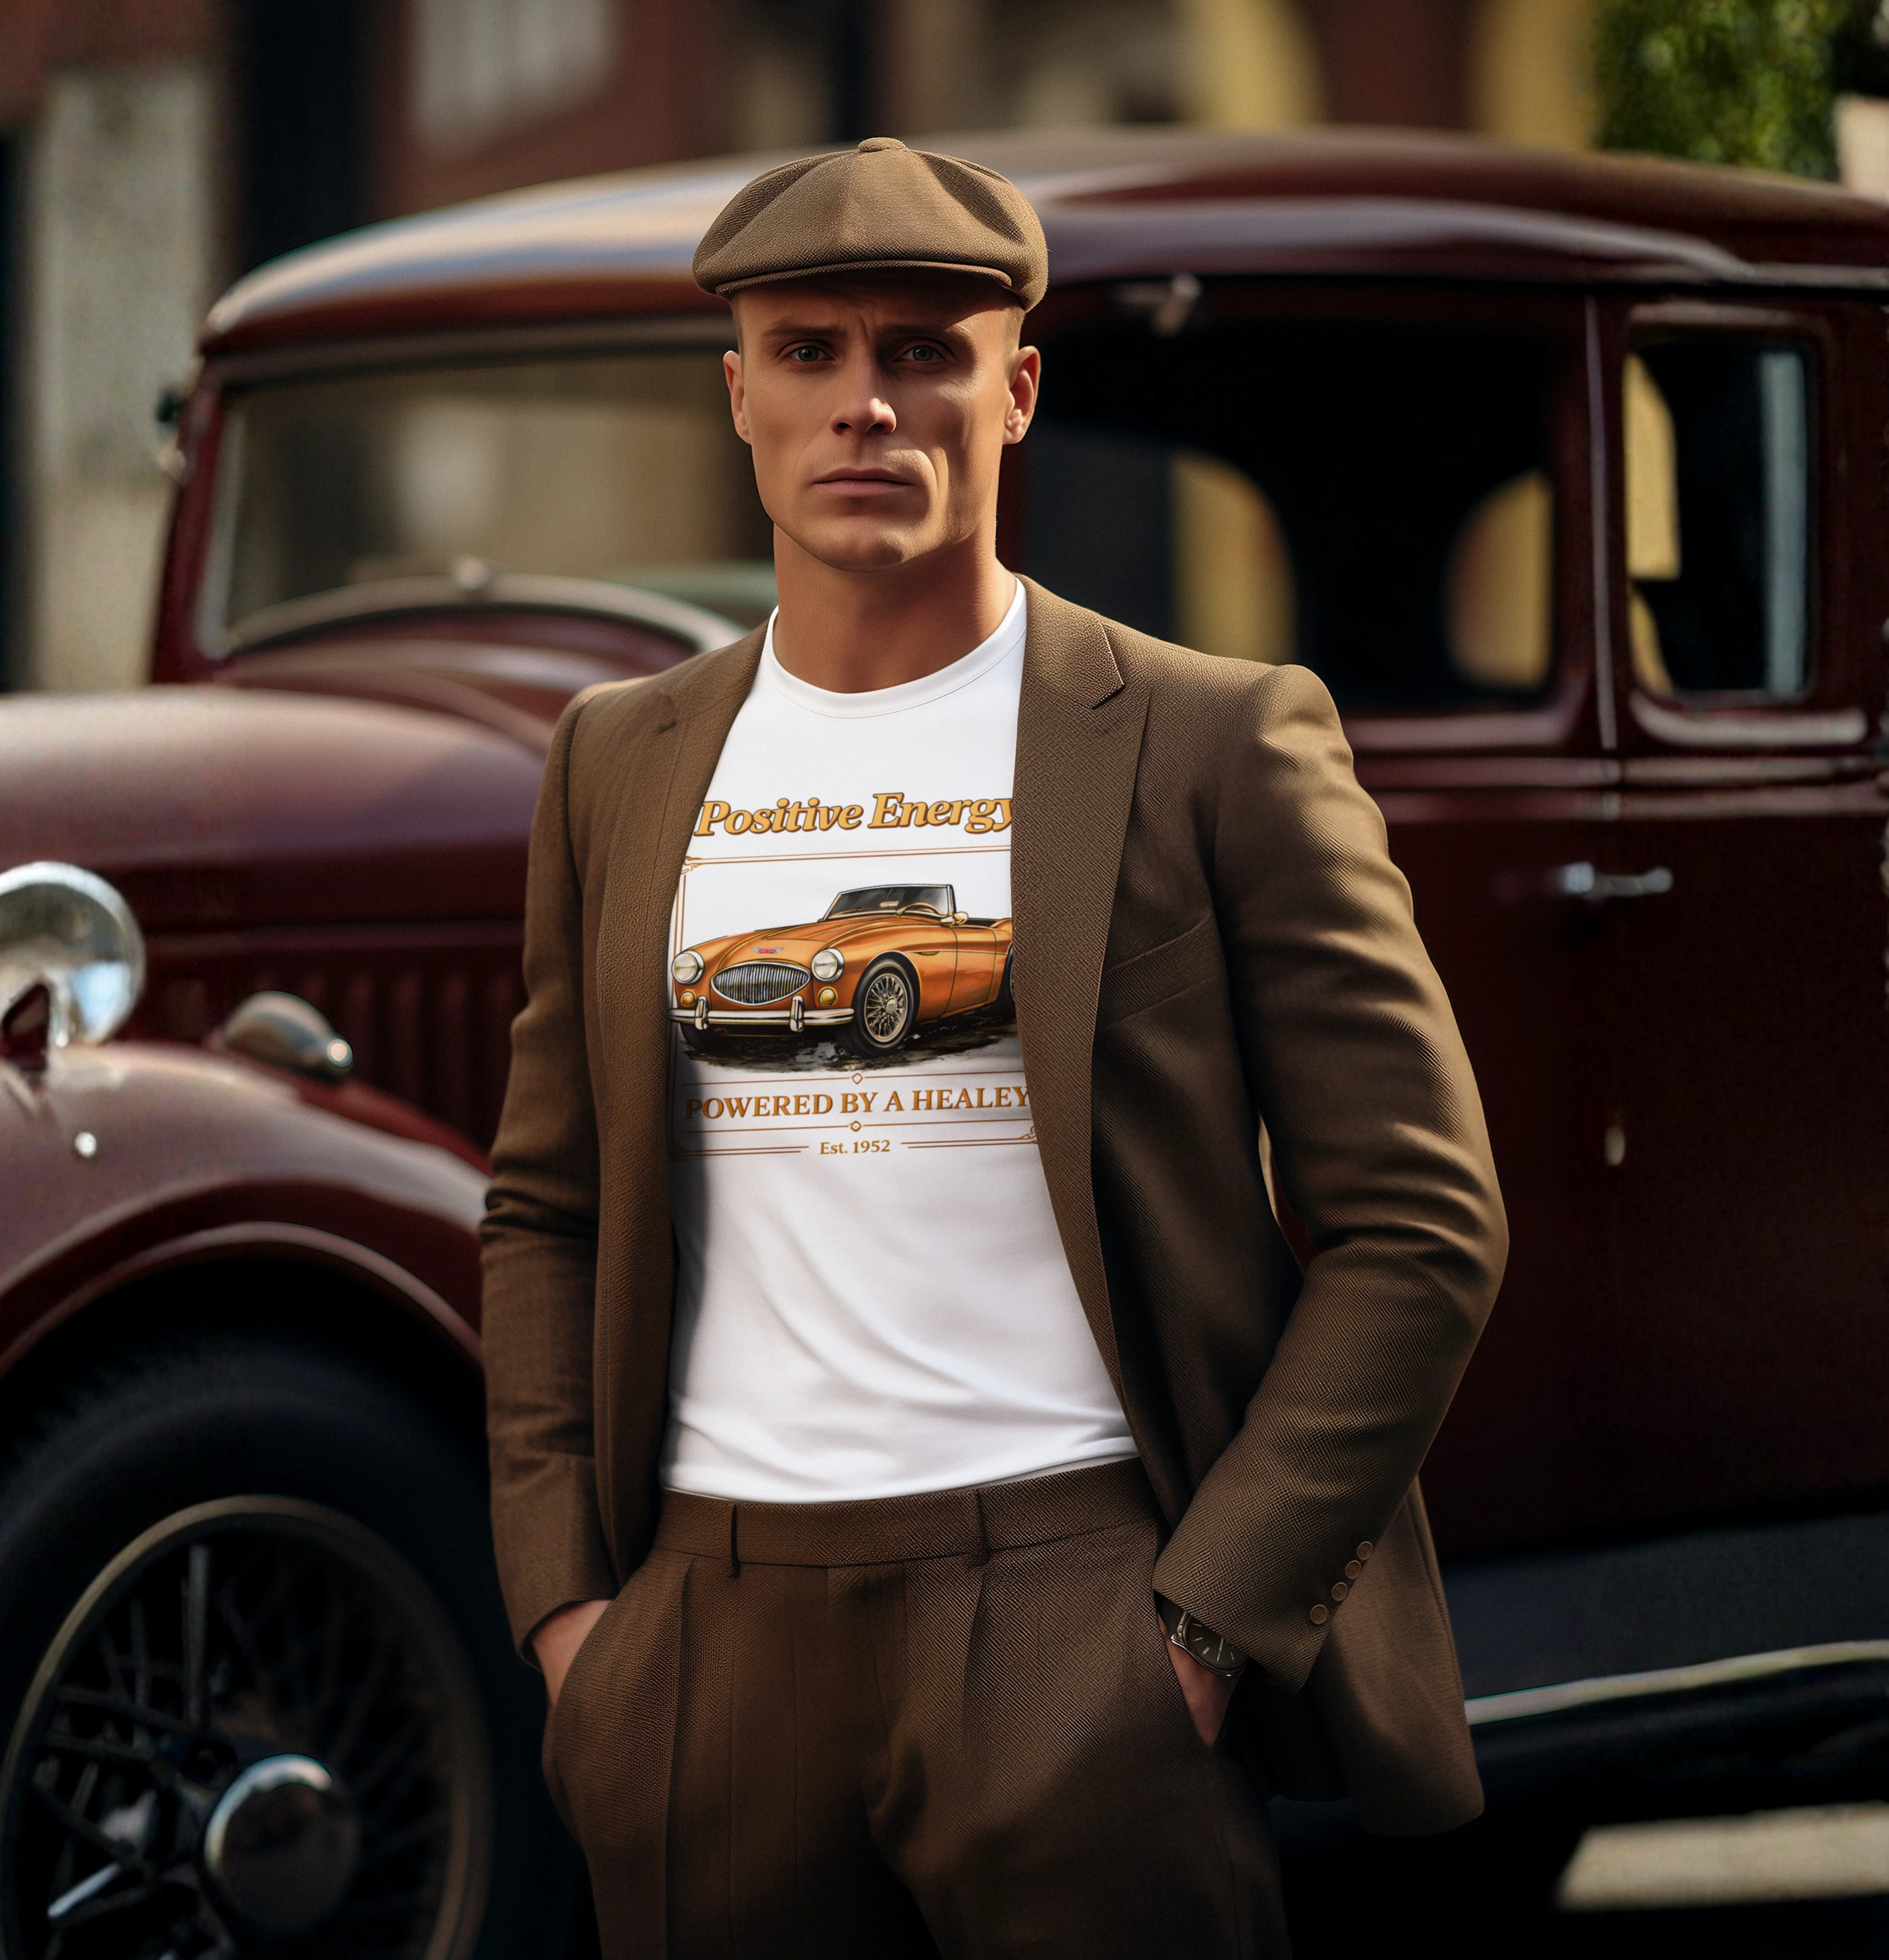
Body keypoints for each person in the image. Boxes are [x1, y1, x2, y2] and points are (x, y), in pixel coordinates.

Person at [481, 136, 1508, 1957]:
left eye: (923, 351)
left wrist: (1207, 1623)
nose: (864, 403)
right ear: (739, 395)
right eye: (808, 351)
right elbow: (547, 1208)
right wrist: (574, 1625)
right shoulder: (618, 758)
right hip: (708, 1648)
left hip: (1078, 1612)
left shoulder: (1216, 741)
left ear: (1015, 388)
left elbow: (1422, 1228)